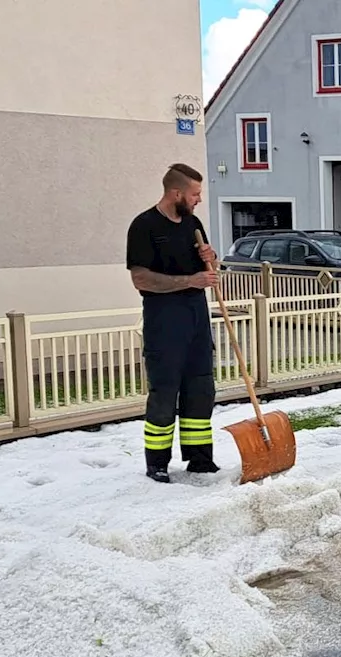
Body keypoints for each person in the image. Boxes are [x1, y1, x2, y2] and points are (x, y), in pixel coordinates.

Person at [125, 163, 221, 483]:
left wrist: (212, 258)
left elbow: (207, 271)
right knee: (165, 393)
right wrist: (191, 280)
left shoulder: (192, 223)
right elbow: (142, 279)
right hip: (164, 321)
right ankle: (158, 463)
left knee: (200, 388)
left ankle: (199, 458)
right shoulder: (144, 226)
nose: (199, 200)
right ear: (176, 193)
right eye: (194, 194)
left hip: (196, 318)